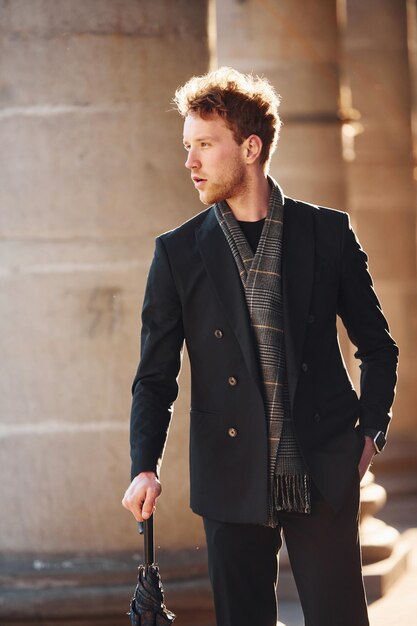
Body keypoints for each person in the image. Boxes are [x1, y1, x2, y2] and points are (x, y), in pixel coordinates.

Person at [122, 66, 398, 626]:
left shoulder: (327, 234)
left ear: (250, 147)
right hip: (229, 470)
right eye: (187, 145)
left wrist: (369, 434)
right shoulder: (178, 253)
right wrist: (143, 465)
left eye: (204, 144)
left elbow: (378, 345)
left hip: (321, 462)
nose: (190, 161)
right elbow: (155, 376)